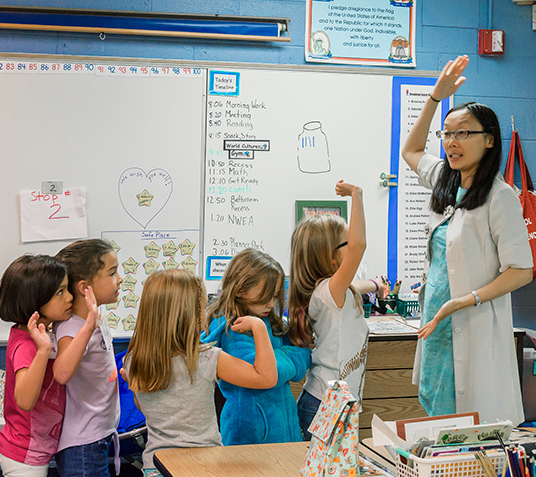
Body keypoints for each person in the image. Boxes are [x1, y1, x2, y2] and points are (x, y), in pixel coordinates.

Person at [401, 54, 532, 424]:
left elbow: (521, 271)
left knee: (471, 425)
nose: (451, 142)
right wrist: (433, 99)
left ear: (489, 140)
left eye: (463, 133)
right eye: (447, 133)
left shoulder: (500, 196)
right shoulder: (446, 178)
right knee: (439, 423)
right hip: (438, 324)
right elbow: (410, 151)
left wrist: (464, 300)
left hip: (472, 322)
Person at [124, 269, 278, 477]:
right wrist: (259, 327)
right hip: (203, 466)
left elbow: (145, 407)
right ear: (190, 313)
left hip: (156, 466)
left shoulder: (134, 359)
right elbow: (267, 378)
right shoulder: (206, 358)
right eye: (203, 306)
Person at [201, 248, 311, 445]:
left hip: (284, 426)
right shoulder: (231, 327)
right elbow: (264, 376)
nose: (270, 303)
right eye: (265, 296)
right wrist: (282, 357)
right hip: (251, 432)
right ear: (241, 289)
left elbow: (303, 356)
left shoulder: (266, 319)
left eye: (274, 295)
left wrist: (275, 357)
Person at [289, 181, 369, 440]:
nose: (353, 246)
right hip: (325, 405)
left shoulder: (334, 292)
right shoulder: (327, 293)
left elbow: (358, 283)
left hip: (339, 404)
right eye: (346, 243)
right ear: (331, 257)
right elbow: (359, 246)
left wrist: (376, 285)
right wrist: (357, 196)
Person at [0, 254, 76, 476]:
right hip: (24, 454)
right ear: (35, 299)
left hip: (36, 450)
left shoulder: (37, 334)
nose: (70, 298)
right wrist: (42, 351)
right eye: (60, 292)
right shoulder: (27, 344)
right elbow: (24, 400)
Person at [53, 239, 121, 477]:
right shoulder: (71, 328)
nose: (120, 279)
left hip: (98, 438)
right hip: (82, 445)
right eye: (112, 273)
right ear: (85, 288)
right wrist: (89, 325)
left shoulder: (94, 320)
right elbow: (61, 373)